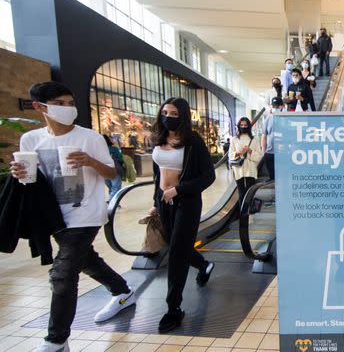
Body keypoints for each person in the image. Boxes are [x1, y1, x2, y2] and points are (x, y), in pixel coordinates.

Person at [10, 82, 135, 352]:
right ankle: (122, 291)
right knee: (84, 260)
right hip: (53, 215)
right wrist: (20, 175)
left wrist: (90, 161)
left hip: (86, 214)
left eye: (70, 103)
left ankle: (56, 340)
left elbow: (112, 174)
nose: (68, 108)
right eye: (60, 104)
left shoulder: (89, 137)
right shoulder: (31, 140)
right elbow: (31, 180)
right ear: (39, 107)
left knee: (63, 273)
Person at [149, 97, 216, 333]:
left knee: (177, 251)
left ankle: (173, 308)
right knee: (177, 245)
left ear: (184, 116)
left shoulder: (193, 142)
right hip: (164, 201)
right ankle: (204, 264)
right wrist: (155, 202)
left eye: (174, 113)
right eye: (165, 112)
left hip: (186, 201)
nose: (168, 117)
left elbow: (208, 176)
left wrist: (179, 189)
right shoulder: (158, 139)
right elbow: (158, 174)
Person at [229, 117, 262, 204]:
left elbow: (259, 156)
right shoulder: (234, 139)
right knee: (241, 194)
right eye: (241, 125)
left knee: (249, 194)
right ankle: (242, 216)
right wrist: (237, 153)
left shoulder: (255, 140)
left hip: (250, 170)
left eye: (245, 125)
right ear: (239, 126)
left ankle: (248, 215)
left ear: (249, 126)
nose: (243, 127)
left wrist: (249, 150)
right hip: (238, 169)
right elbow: (230, 155)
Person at [262, 97, 283, 180]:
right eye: (273, 106)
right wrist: (264, 152)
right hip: (270, 153)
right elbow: (264, 136)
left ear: (282, 107)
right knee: (272, 177)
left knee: (282, 178)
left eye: (277, 106)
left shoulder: (286, 118)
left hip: (282, 153)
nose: (275, 108)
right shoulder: (268, 118)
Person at [103, 134, 123, 203]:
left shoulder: (99, 150)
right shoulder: (114, 149)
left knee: (111, 188)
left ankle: (115, 203)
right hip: (115, 170)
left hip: (103, 171)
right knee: (116, 188)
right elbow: (120, 159)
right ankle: (112, 203)